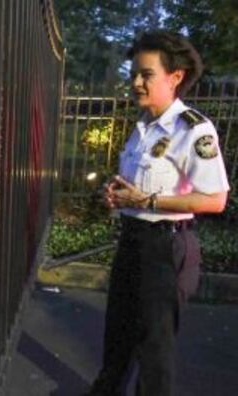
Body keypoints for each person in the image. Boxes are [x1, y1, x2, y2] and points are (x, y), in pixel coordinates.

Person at [87, 31, 229, 396]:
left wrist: (148, 201)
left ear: (175, 77)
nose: (135, 82)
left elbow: (215, 200)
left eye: (146, 74)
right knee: (116, 337)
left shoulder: (193, 130)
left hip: (166, 250)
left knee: (154, 353)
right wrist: (117, 196)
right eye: (133, 73)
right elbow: (137, 191)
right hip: (132, 243)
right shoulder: (143, 128)